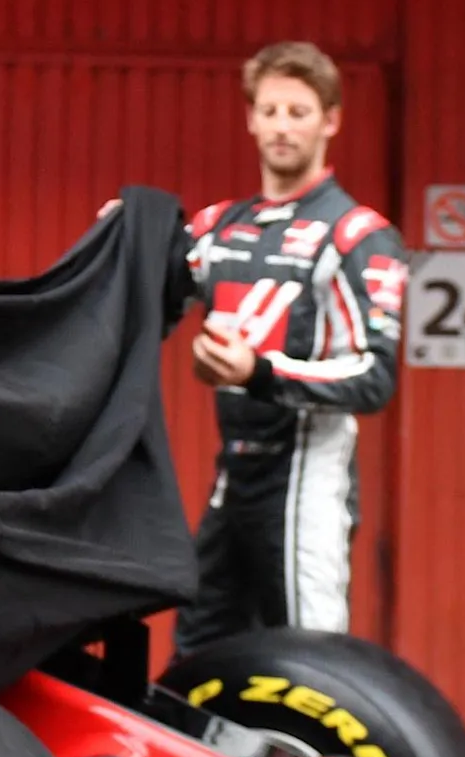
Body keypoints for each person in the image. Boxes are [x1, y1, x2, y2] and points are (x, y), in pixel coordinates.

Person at [175, 42, 412, 652]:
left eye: (298, 112)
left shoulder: (357, 236)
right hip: (233, 476)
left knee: (310, 662)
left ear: (330, 121)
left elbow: (375, 378)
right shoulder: (218, 227)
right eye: (271, 111)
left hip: (308, 483)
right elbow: (146, 280)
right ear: (251, 119)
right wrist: (124, 228)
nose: (283, 127)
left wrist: (258, 372)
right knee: (195, 661)